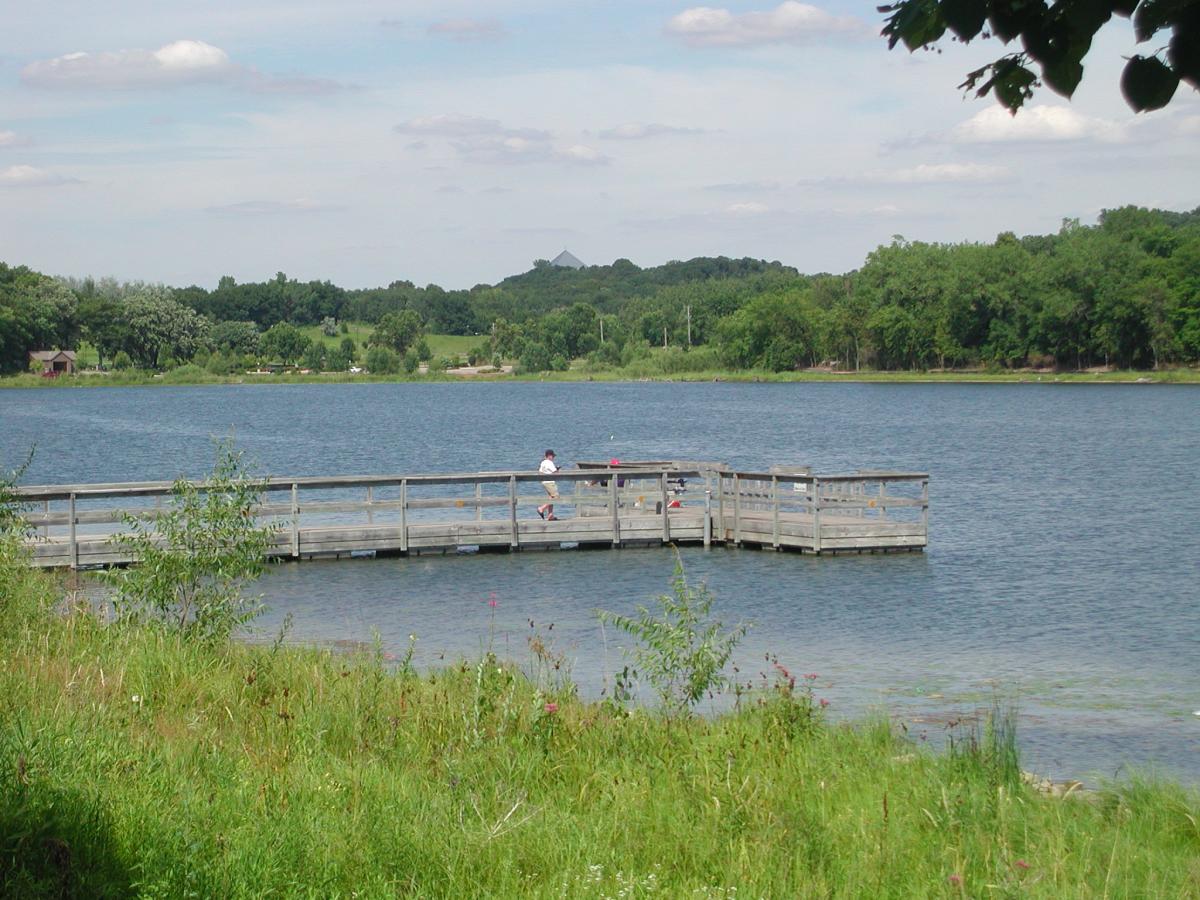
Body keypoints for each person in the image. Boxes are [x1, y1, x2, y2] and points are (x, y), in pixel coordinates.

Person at [537, 449, 559, 520]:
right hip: (550, 482)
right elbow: (555, 472)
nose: (553, 458)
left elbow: (540, 472)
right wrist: (557, 469)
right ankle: (541, 508)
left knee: (551, 497)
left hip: (544, 482)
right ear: (549, 456)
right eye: (553, 456)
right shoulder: (549, 462)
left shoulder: (543, 462)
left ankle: (550, 515)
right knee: (556, 497)